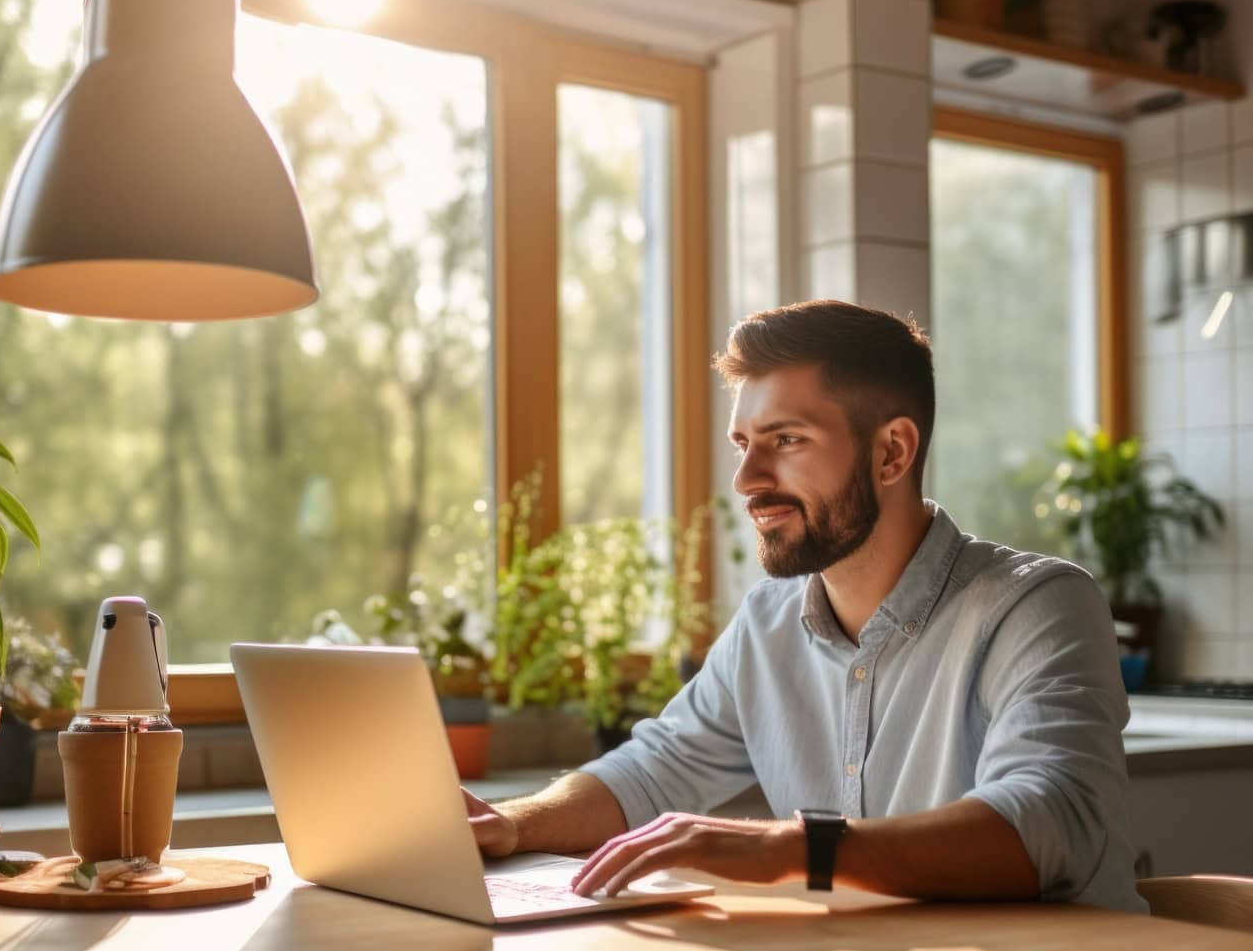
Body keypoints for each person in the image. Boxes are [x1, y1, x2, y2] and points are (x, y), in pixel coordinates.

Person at [465, 300, 1144, 913]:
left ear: (891, 452)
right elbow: (650, 772)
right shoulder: (766, 623)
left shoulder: (1038, 605)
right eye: (743, 444)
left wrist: (792, 849)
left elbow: (1050, 823)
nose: (746, 481)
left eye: (786, 441)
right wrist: (514, 823)